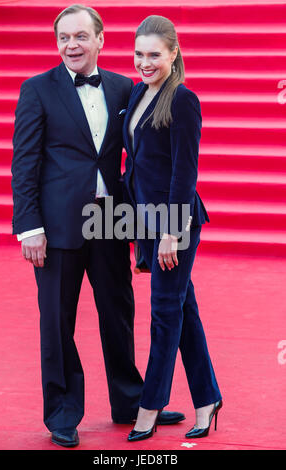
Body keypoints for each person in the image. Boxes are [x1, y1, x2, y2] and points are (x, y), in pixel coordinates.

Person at [11, 5, 184, 448]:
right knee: (57, 322)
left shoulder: (126, 87)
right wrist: (29, 225)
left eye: (81, 36)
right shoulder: (37, 90)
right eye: (64, 37)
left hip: (110, 219)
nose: (72, 45)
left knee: (118, 314)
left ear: (101, 40)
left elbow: (152, 151)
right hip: (56, 225)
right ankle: (63, 412)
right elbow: (25, 162)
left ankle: (129, 401)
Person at [123, 15, 222, 442]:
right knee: (183, 311)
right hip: (144, 220)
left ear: (173, 53)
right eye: (139, 54)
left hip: (173, 225)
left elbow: (185, 172)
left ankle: (149, 407)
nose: (145, 63)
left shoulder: (182, 100)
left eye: (154, 55)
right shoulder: (137, 92)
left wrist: (170, 233)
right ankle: (207, 399)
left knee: (164, 313)